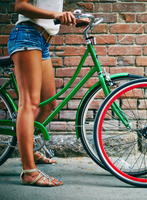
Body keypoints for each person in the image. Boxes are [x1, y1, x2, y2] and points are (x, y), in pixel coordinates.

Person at [8, 0, 89, 186]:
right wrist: (55, 15)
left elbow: (48, 8)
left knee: (48, 104)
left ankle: (30, 147)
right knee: (29, 103)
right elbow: (20, 6)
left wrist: (69, 17)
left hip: (42, 40)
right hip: (27, 35)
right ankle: (29, 172)